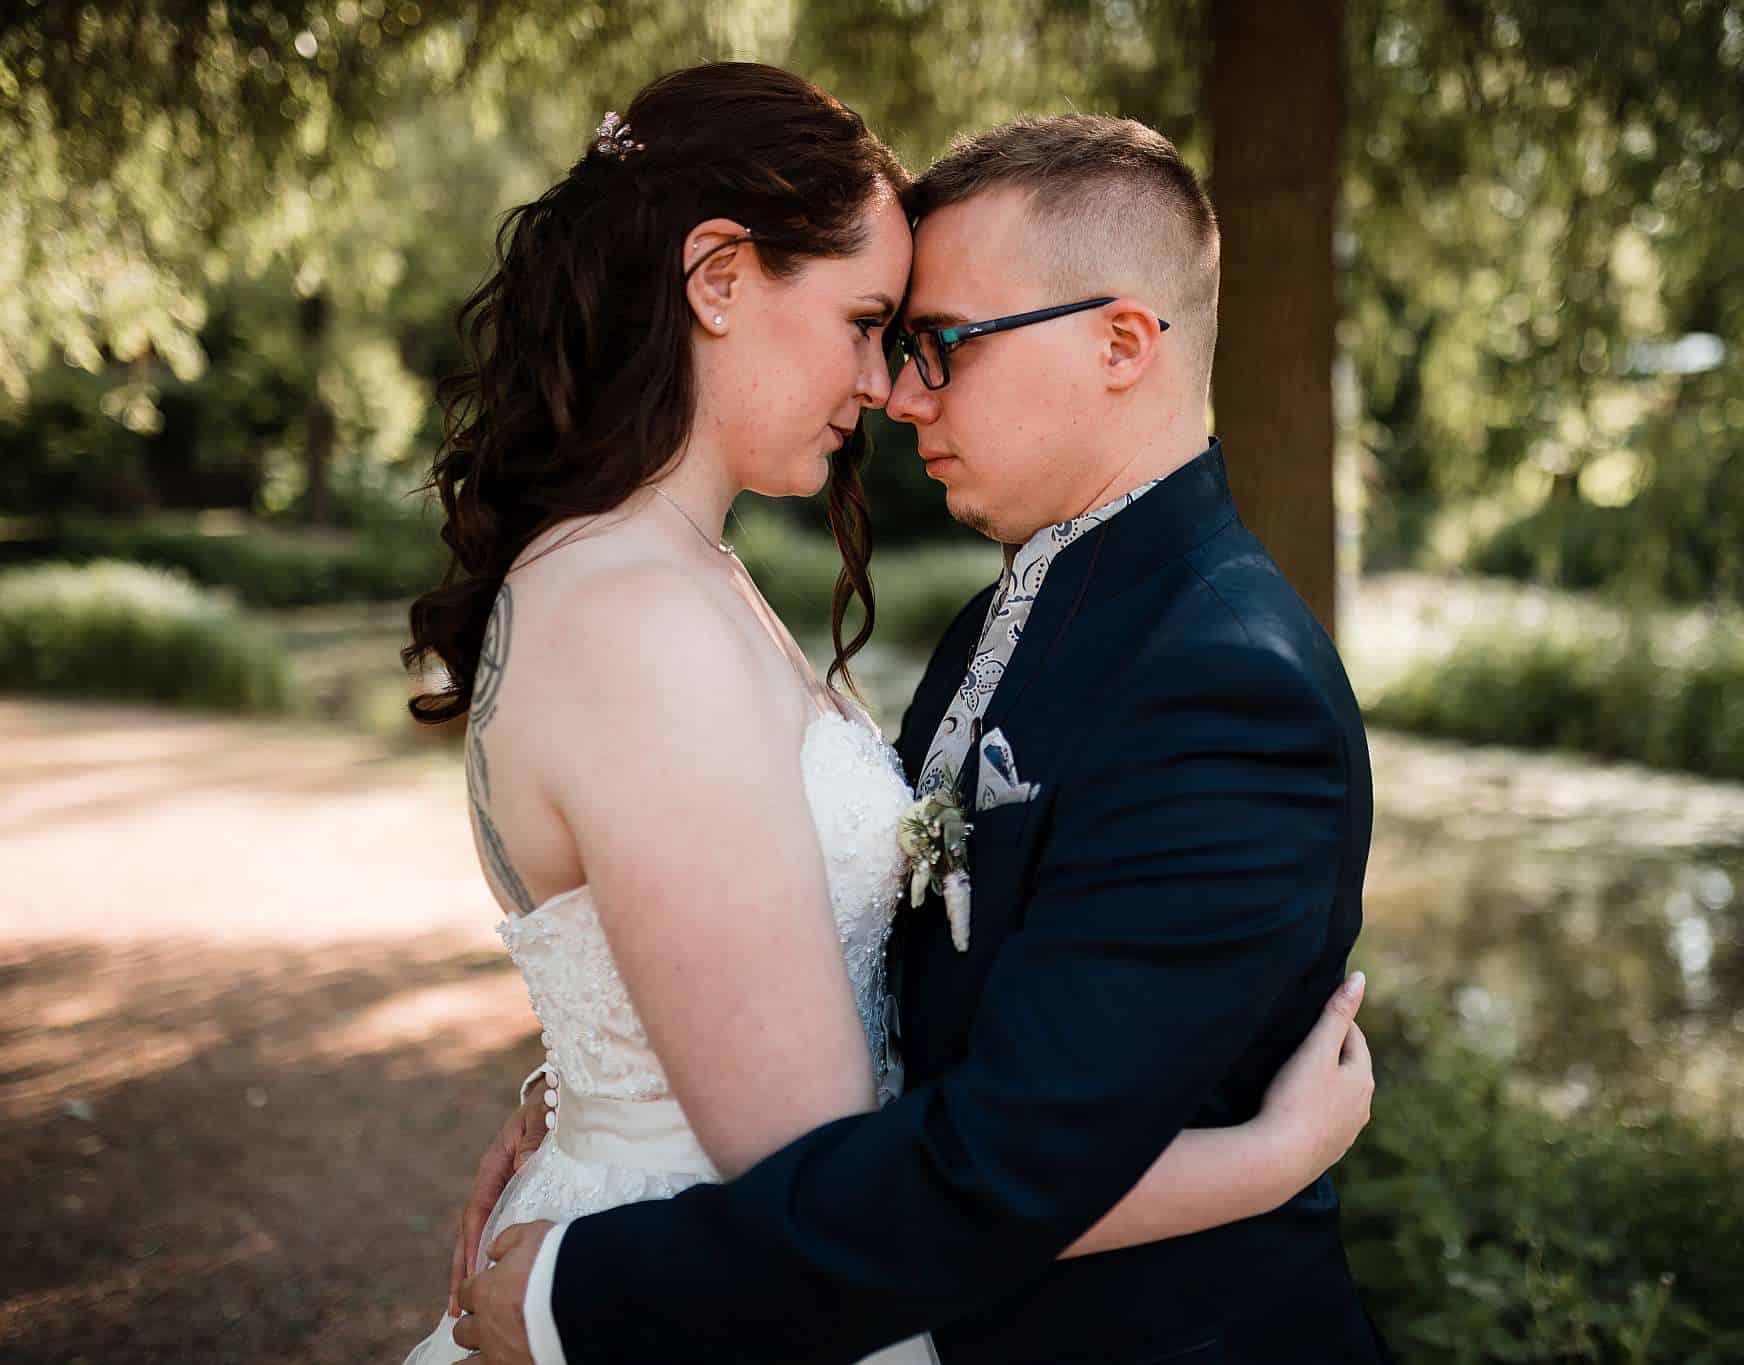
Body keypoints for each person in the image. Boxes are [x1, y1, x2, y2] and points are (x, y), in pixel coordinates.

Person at [400, 68, 1377, 1365]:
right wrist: (594, 1099)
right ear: (718, 278)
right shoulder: (686, 607)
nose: (896, 390)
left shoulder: (1219, 675)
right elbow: (850, 1114)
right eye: (874, 326)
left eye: (931, 339)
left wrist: (588, 1209)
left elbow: (972, 1140)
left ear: (1124, 342)